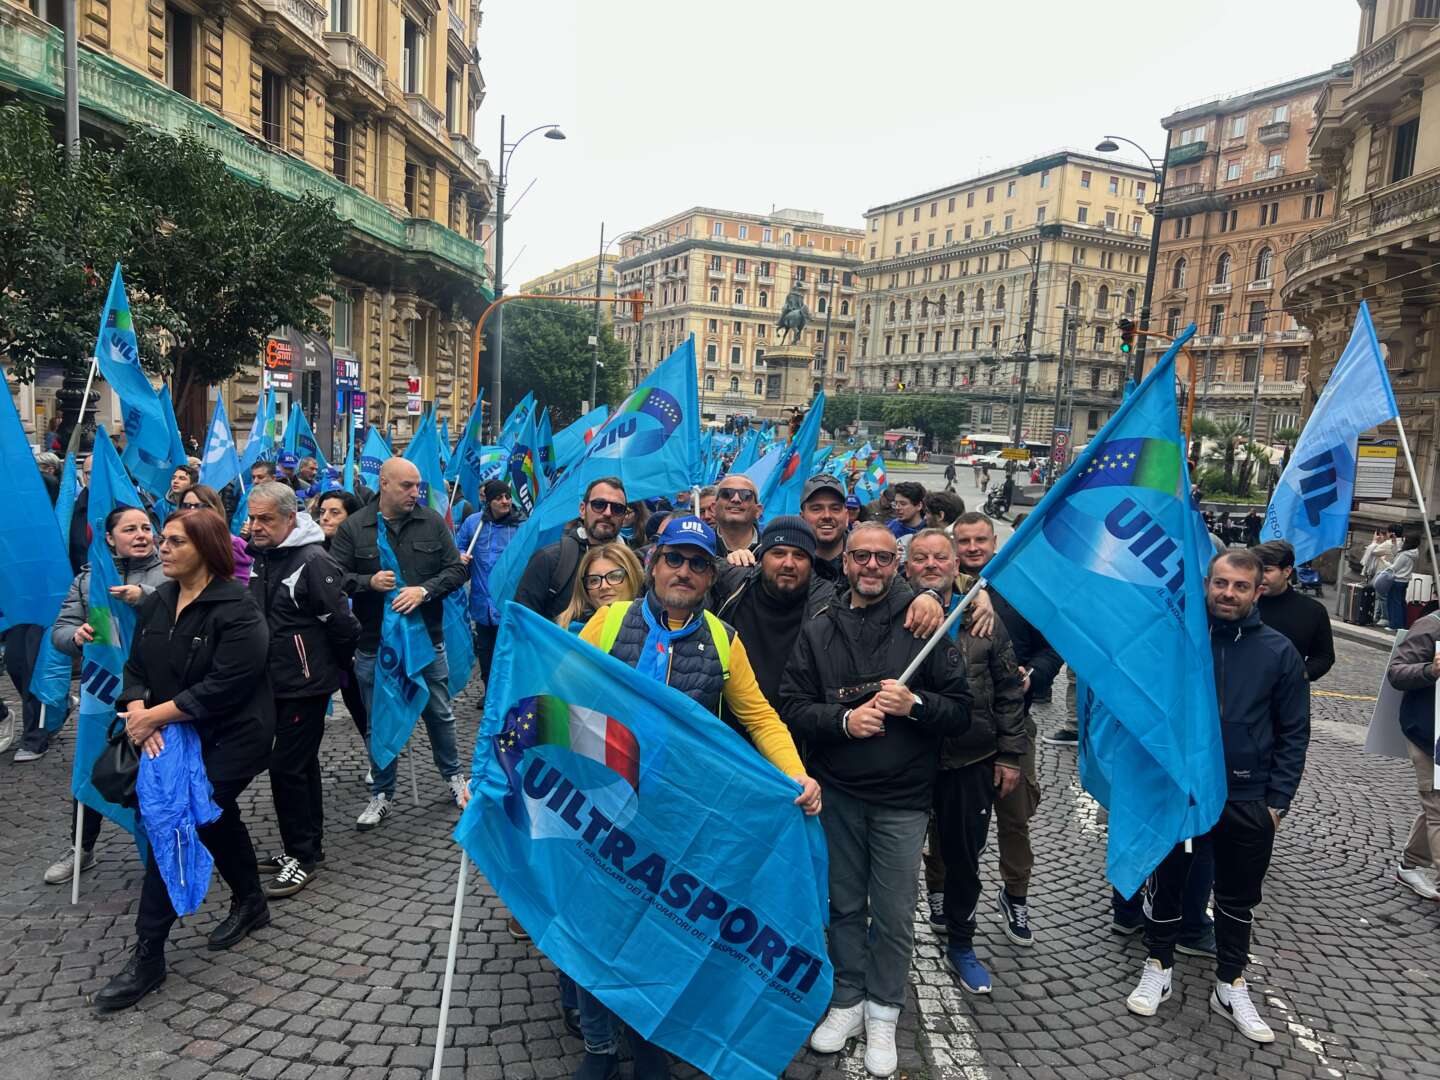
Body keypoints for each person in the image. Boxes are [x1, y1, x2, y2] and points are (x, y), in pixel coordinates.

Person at [573, 515, 821, 1080]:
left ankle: (646, 1044)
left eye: (698, 563)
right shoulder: (609, 623)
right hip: (603, 804)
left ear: (711, 576)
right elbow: (557, 689)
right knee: (593, 929)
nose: (684, 571)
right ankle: (598, 1047)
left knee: (655, 934)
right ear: (654, 564)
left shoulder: (723, 640)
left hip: (675, 816)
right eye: (674, 559)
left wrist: (796, 776)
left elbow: (760, 718)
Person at [782, 522, 970, 1078]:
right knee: (842, 907)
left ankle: (884, 1009)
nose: (870, 566)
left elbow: (960, 712)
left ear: (899, 565)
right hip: (838, 794)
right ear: (845, 562)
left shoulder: (926, 624)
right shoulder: (818, 627)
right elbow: (792, 704)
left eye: (882, 558)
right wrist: (842, 721)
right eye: (860, 555)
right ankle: (847, 1000)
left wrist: (914, 704)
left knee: (891, 914)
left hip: (903, 800)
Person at [1125, 549, 1308, 1044]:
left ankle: (1230, 983)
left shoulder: (1278, 653)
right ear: (1207, 583)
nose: (1228, 593)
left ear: (1258, 591)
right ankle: (1159, 964)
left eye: (1240, 586)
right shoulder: (1180, 642)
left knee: (1237, 898)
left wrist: (1277, 802)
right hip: (1182, 793)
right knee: (1169, 884)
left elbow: (1294, 731)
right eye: (1221, 583)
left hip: (1247, 797)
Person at [96, 508, 275, 1011]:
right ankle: (252, 901)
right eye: (164, 539)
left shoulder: (238, 609)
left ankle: (148, 955)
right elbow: (134, 666)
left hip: (233, 735)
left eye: (175, 541)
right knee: (215, 818)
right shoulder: (159, 603)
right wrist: (136, 709)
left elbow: (226, 686)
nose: (163, 547)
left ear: (206, 548)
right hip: (174, 731)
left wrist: (155, 716)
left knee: (177, 821)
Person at [907, 528, 1024, 994]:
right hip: (907, 758)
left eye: (940, 557)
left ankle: (962, 942)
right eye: (920, 558)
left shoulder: (983, 617)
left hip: (971, 758)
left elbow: (1009, 692)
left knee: (964, 860)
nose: (931, 565)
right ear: (906, 565)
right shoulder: (890, 611)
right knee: (889, 856)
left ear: (957, 565)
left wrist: (1011, 754)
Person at [329, 458, 469, 828]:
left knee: (439, 714)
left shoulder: (432, 521)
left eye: (418, 486)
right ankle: (382, 793)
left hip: (426, 639)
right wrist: (367, 583)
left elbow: (456, 569)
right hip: (375, 643)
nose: (415, 493)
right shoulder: (354, 528)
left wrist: (424, 590)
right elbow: (333, 576)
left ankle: (454, 777)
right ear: (384, 483)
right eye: (407, 486)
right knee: (379, 720)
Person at [246, 482, 360, 899]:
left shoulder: (311, 560)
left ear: (290, 519)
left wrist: (326, 668)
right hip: (275, 679)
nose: (255, 526)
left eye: (266, 520)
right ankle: (308, 846)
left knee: (286, 768)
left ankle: (303, 857)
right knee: (302, 764)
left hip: (304, 683)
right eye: (252, 517)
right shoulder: (262, 554)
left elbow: (343, 624)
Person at [41, 506, 167, 882]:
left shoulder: (171, 570)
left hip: (154, 692)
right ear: (110, 537)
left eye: (147, 527)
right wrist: (75, 637)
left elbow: (181, 614)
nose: (142, 535)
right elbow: (60, 629)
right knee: (92, 768)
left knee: (157, 773)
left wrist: (143, 598)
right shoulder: (89, 579)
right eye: (130, 529)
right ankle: (82, 846)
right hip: (103, 692)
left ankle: (162, 851)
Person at [951, 512, 1058, 944]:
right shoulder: (939, 589)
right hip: (959, 726)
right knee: (951, 821)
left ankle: (1016, 895)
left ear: (994, 542)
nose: (973, 548)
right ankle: (948, 894)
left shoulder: (1024, 593)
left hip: (1014, 723)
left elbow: (1053, 648)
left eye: (980, 540)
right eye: (964, 541)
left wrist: (1034, 673)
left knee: (1015, 818)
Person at [514, 477, 628, 621]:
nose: (607, 512)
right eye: (599, 505)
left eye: (617, 508)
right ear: (582, 510)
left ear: (624, 517)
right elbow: (522, 625)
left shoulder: (634, 566)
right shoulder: (549, 559)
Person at [1386, 609, 1440, 901]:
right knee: (1439, 807)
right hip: (1428, 735)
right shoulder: (1430, 626)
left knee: (1434, 807)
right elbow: (1397, 672)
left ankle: (1409, 864)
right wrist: (1431, 670)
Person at [314, 489, 370, 751]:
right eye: (322, 511)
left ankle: (375, 754)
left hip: (356, 640)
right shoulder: (311, 549)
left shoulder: (363, 549)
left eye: (334, 512)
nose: (325, 517)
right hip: (320, 643)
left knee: (358, 699)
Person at [456, 479, 528, 682]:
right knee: (486, 655)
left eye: (507, 496)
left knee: (509, 656)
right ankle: (489, 694)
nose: (505, 501)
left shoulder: (521, 525)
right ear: (488, 501)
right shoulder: (473, 523)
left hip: (509, 606)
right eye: (499, 498)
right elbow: (457, 545)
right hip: (482, 607)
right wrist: (460, 555)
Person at [1253, 540, 1335, 682]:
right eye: (1255, 569)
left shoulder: (1313, 611)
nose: (1260, 576)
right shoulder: (1242, 604)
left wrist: (1300, 675)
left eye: (1267, 570)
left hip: (1286, 698)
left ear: (1287, 571)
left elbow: (1324, 656)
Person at [555, 542, 643, 634]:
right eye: (594, 580)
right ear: (585, 589)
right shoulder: (568, 634)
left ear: (633, 577)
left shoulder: (654, 624)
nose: (604, 586)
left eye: (614, 576)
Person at [178, 484, 253, 583]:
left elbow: (241, 589)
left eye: (198, 506)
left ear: (213, 509)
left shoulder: (233, 545)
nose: (191, 511)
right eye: (186, 506)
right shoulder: (176, 542)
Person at [797, 475, 849, 583]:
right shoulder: (788, 564)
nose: (827, 516)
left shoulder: (865, 562)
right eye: (816, 509)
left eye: (835, 509)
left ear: (847, 517)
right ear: (802, 517)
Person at [712, 474, 764, 560]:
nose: (736, 499)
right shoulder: (699, 546)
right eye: (726, 493)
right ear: (713, 508)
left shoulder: (770, 550)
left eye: (746, 495)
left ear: (758, 511)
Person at [1380, 528, 1421, 631]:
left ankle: (1395, 625)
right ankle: (1402, 624)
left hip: (1397, 580)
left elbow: (1394, 567)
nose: (1403, 540)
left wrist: (1384, 562)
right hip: (1405, 580)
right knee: (1401, 603)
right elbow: (1396, 554)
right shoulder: (1413, 552)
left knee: (1394, 603)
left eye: (1404, 539)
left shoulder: (1405, 554)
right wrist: (1394, 543)